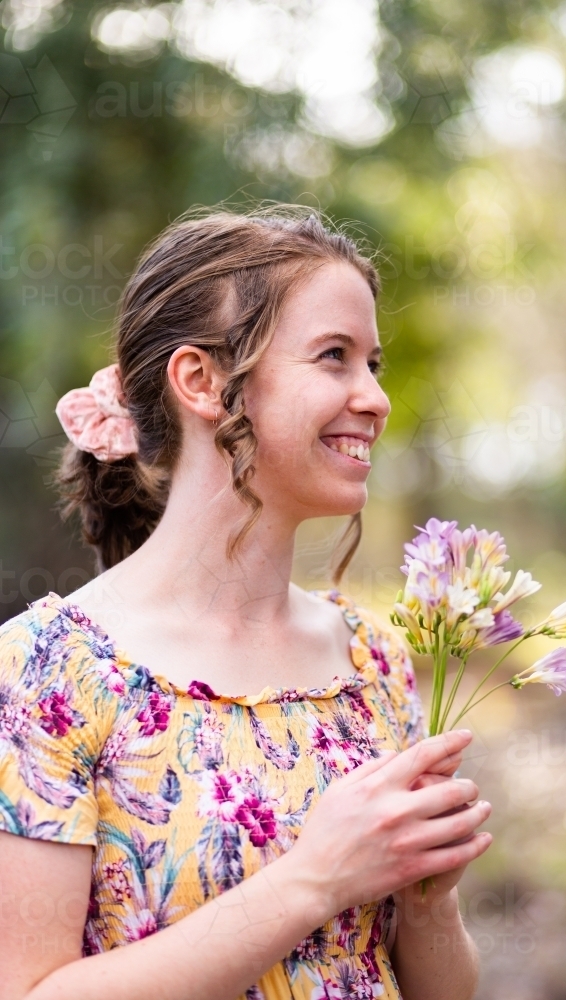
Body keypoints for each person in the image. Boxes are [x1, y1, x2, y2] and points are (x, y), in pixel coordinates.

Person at [0, 207, 493, 1000]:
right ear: (201, 381)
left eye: (374, 362)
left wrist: (429, 906)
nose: (374, 399)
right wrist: (314, 880)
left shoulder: (372, 659)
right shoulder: (48, 672)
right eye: (333, 357)